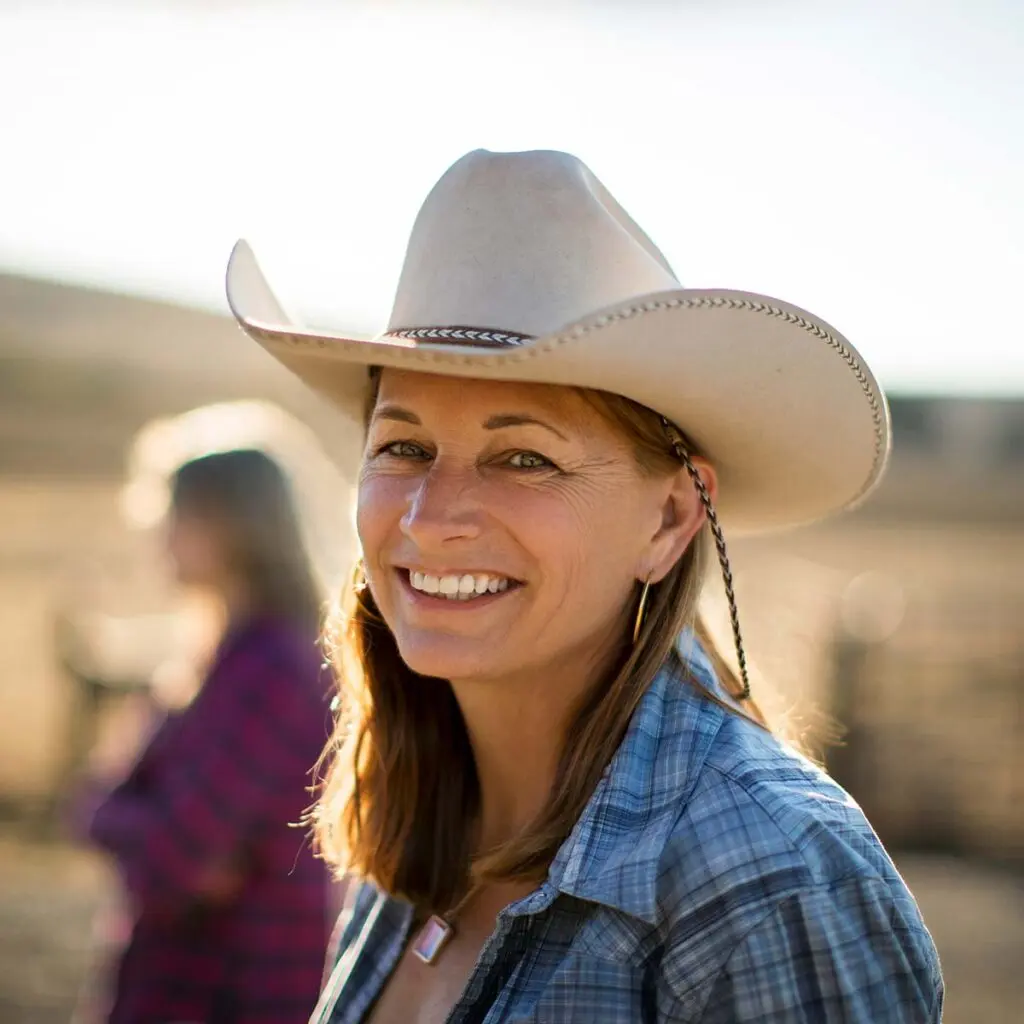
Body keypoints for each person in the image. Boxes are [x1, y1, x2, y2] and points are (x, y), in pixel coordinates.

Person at [225, 150, 943, 1022]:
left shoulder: (773, 878)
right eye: (403, 447)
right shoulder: (420, 821)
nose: (430, 517)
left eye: (524, 457)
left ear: (671, 520)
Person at [80, 448, 337, 1023]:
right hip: (187, 981)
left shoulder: (272, 672)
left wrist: (132, 827)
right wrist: (131, 825)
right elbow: (96, 806)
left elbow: (180, 859)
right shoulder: (216, 659)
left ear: (234, 526)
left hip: (240, 989)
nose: (161, 536)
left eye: (178, 516)